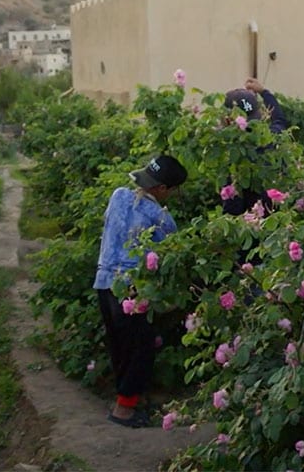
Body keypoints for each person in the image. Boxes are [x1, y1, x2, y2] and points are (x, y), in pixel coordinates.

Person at [93, 154, 188, 428]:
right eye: (171, 189)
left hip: (104, 283)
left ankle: (125, 401)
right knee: (140, 350)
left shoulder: (118, 195)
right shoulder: (160, 218)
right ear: (161, 189)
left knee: (120, 347)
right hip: (134, 291)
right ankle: (124, 411)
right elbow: (172, 255)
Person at [221, 78, 288, 216]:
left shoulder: (232, 158)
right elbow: (279, 120)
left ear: (228, 120)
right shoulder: (272, 136)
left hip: (255, 227)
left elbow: (233, 210)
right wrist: (263, 92)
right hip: (280, 217)